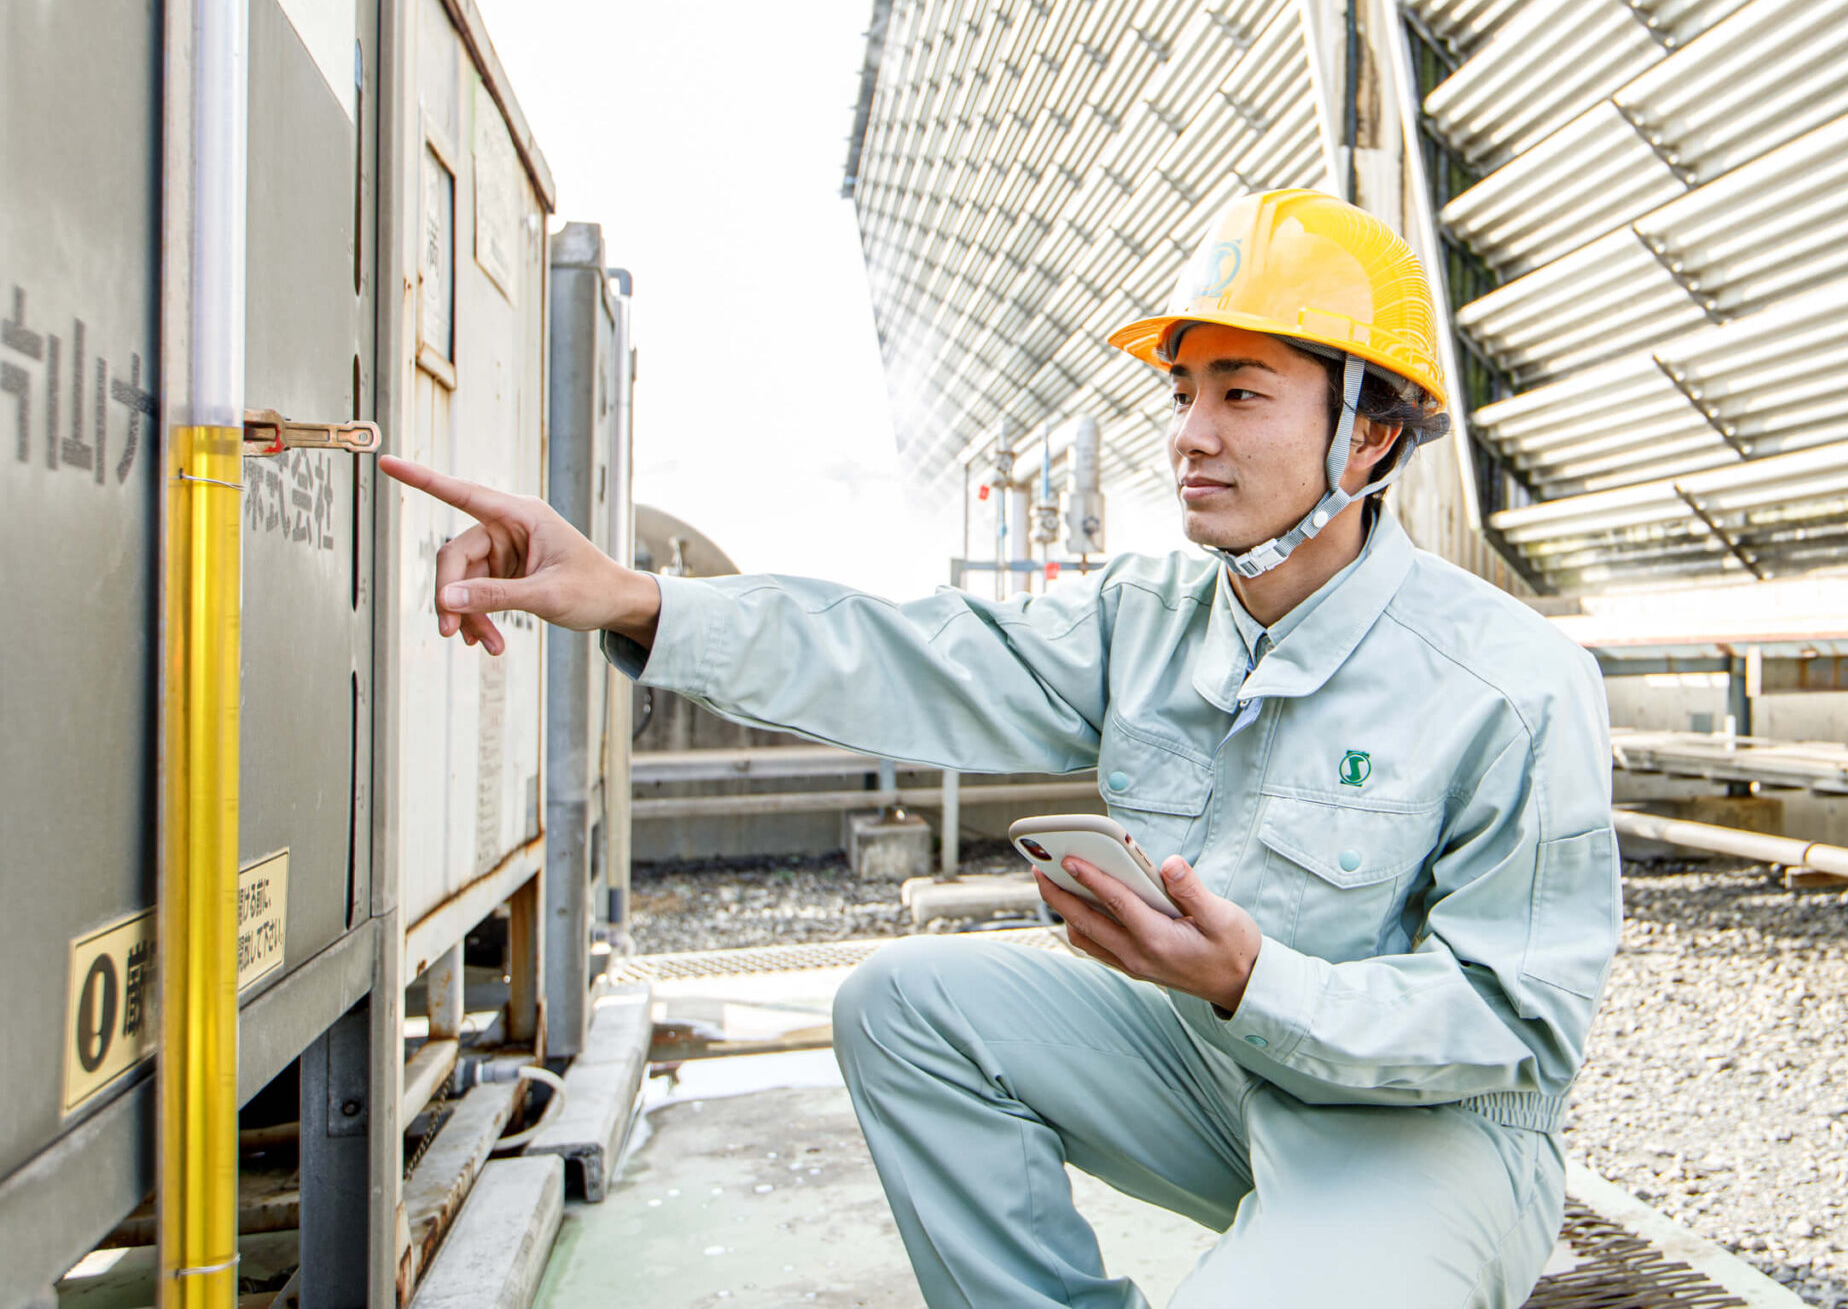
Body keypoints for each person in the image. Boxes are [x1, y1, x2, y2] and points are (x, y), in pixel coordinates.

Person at [382, 186, 1620, 1308]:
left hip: (1427, 1132)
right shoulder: (1151, 618)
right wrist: (638, 600)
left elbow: (1518, 1023)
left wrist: (1253, 981)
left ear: (1369, 438)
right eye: (1181, 392)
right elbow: (910, 654)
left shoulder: (1508, 686)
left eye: (1240, 393)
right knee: (904, 1007)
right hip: (1220, 1067)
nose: (1189, 434)